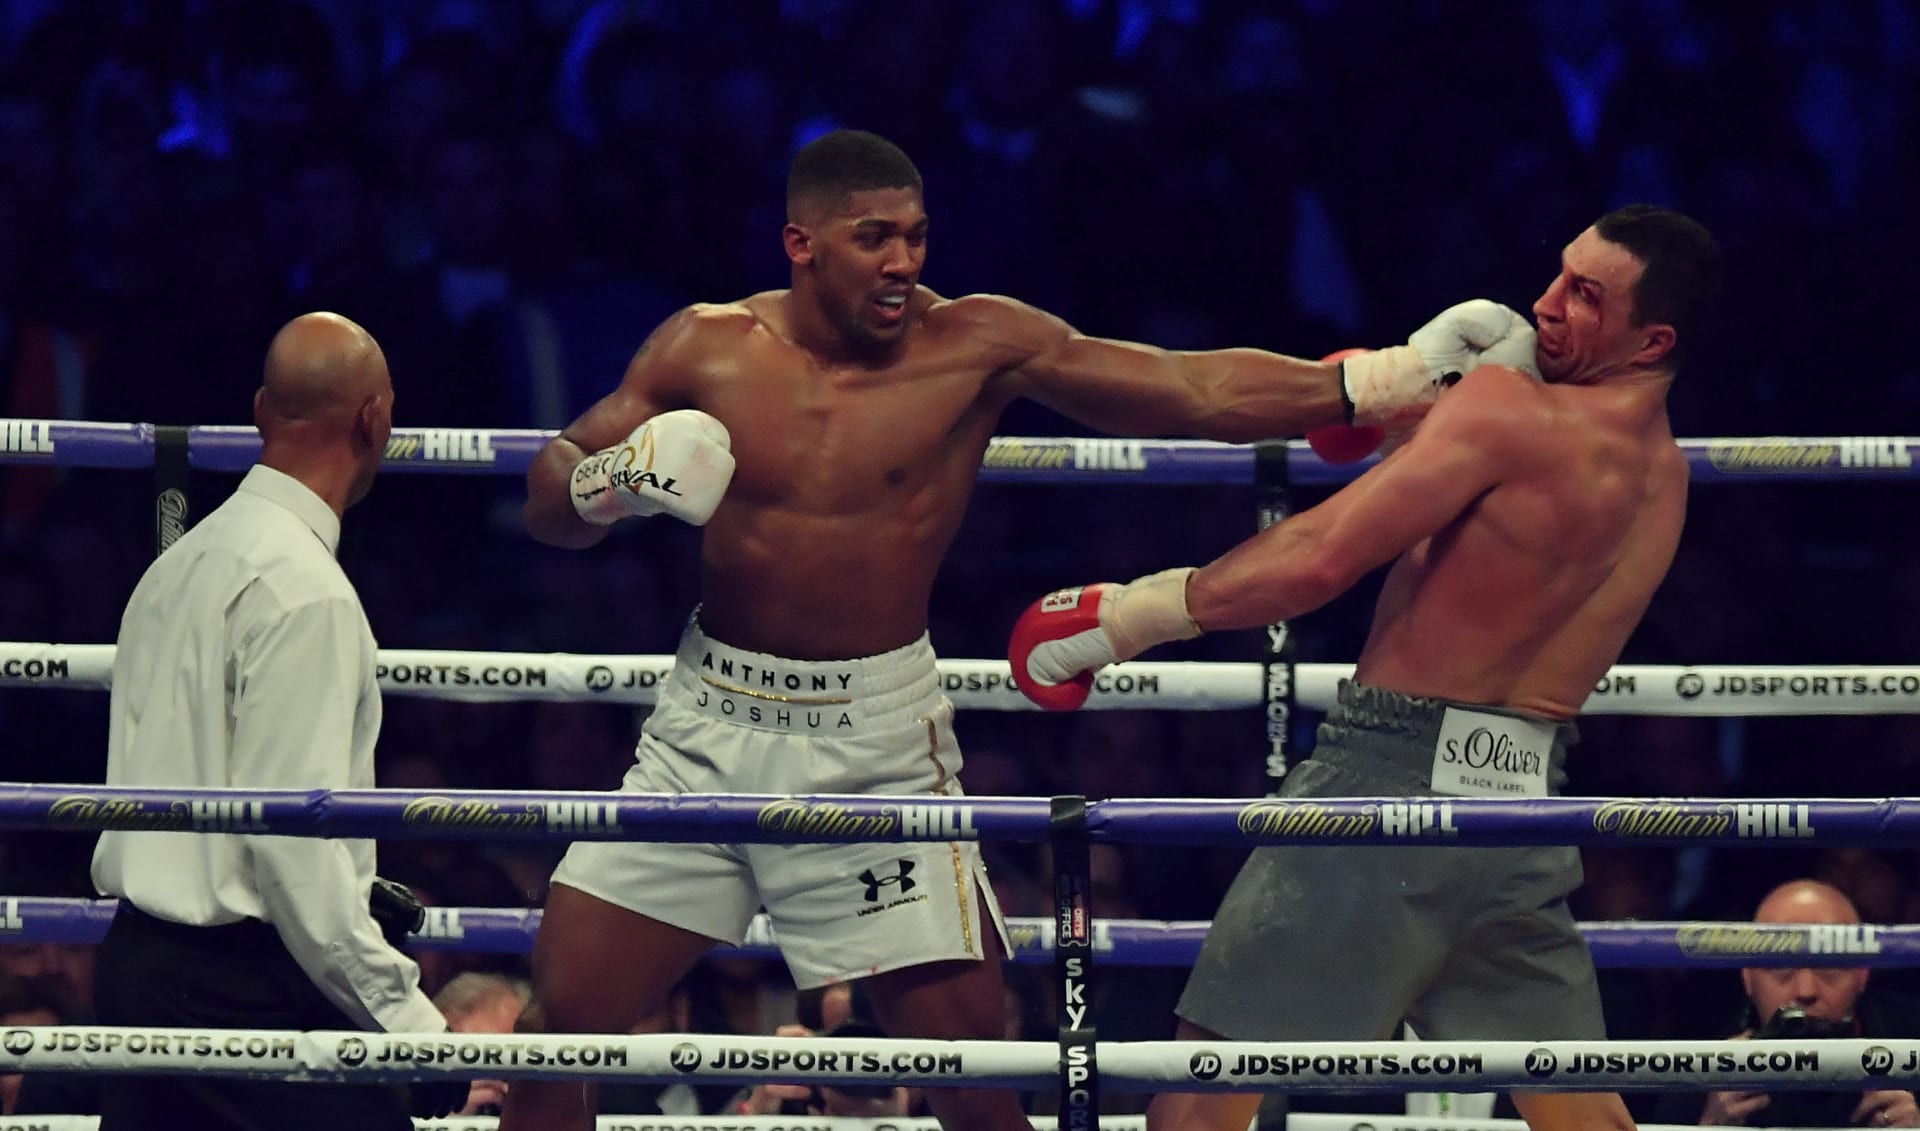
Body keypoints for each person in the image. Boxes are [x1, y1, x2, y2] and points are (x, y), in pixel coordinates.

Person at [502, 127, 1535, 1131]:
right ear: (801, 243)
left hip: (875, 749)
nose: (903, 260)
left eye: (916, 234)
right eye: (874, 236)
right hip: (703, 734)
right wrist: (611, 482)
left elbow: (1180, 385)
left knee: (974, 1083)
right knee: (557, 1034)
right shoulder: (704, 347)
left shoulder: (974, 344)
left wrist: (1380, 378)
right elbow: (551, 495)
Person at [1009, 203, 1722, 1131]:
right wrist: (1420, 409)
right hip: (1520, 809)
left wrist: (1130, 614)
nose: (1545, 303)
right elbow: (1505, 514)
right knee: (1579, 1110)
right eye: (1558, 273)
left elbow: (1320, 556)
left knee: (1199, 1101)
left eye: (1585, 296)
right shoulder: (1665, 476)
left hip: (1389, 782)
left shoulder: (1509, 409)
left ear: (1652, 337)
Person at [87, 313, 471, 1130]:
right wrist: (410, 1025)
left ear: (263, 411)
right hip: (235, 992)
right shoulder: (307, 594)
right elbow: (292, 849)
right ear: (376, 420)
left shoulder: (178, 565)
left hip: (138, 970)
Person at [1656, 880, 1920, 1128]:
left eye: (1828, 966)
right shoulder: (1701, 1072)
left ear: (1862, 974)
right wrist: (1710, 1129)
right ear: (1748, 978)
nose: (1806, 991)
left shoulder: (1911, 1040)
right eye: (1781, 966)